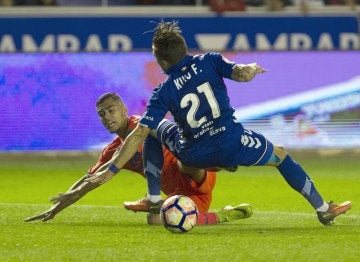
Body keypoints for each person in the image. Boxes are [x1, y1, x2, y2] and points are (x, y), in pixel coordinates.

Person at [87, 20, 351, 226]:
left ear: (162, 61)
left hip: (192, 154)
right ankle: (323, 209)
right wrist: (252, 67)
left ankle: (154, 199)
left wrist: (110, 171)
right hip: (231, 144)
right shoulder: (210, 61)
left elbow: (137, 134)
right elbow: (242, 74)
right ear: (184, 48)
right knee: (280, 155)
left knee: (154, 128)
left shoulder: (162, 91)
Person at [24, 92, 253, 225]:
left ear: (124, 109)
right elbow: (88, 181)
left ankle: (219, 161)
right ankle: (225, 215)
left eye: (111, 110)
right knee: (158, 222)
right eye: (101, 114)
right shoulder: (112, 150)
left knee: (185, 159)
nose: (106, 117)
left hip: (197, 172)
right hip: (179, 193)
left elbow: (183, 138)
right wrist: (58, 206)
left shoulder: (144, 125)